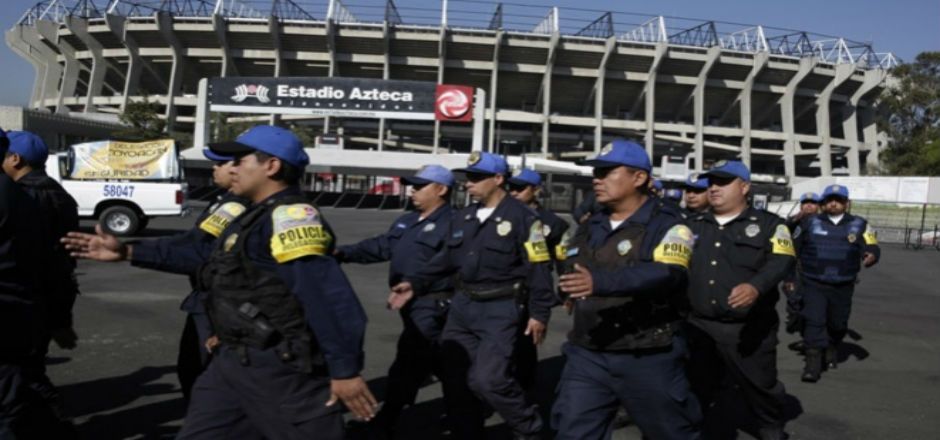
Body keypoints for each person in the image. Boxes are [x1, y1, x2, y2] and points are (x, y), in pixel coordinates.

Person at [63, 125, 377, 439]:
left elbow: (327, 298)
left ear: (271, 166)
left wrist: (345, 370)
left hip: (281, 368)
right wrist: (129, 251)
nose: (231, 168)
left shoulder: (291, 218)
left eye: (240, 161)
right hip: (233, 361)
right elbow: (204, 256)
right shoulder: (251, 216)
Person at [390, 152, 556, 440]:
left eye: (477, 178)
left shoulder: (524, 218)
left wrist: (539, 313)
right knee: (457, 382)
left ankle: (528, 429)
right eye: (468, 177)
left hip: (500, 307)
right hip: (463, 306)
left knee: (489, 380)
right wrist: (415, 282)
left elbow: (539, 269)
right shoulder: (465, 216)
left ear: (498, 179)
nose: (469, 184)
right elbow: (446, 258)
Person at [551, 139, 702, 439]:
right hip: (589, 351)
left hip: (646, 353)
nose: (597, 179)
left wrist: (599, 283)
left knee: (671, 432)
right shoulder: (592, 223)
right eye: (596, 172)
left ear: (639, 177)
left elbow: (668, 272)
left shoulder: (670, 223)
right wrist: (570, 287)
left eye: (607, 172)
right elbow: (573, 259)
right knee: (572, 431)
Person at [334, 165, 455, 435]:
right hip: (410, 305)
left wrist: (417, 283)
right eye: (412, 186)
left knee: (409, 361)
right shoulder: (408, 221)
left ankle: (387, 420)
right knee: (441, 362)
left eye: (420, 186)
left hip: (433, 303)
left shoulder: (455, 224)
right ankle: (461, 412)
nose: (413, 191)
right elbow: (381, 246)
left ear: (441, 189)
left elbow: (451, 264)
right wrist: (342, 253)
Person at [684, 160, 796, 440]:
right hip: (698, 325)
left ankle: (770, 426)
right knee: (695, 385)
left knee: (760, 385)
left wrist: (756, 286)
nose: (714, 188)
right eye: (712, 182)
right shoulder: (691, 225)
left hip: (747, 329)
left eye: (723, 182)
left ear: (744, 187)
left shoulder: (771, 225)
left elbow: (782, 259)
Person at [0, 127, 74, 438]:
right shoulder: (58, 195)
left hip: (23, 303)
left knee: (24, 382)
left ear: (15, 159)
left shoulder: (24, 196)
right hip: (40, 300)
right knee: (28, 377)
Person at [173, 149, 249, 399]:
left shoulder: (236, 205)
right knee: (193, 369)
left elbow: (199, 248)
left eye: (221, 163)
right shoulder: (225, 200)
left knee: (202, 372)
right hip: (206, 297)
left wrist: (134, 251)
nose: (214, 168)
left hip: (218, 302)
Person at [794, 184, 880, 382]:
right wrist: (790, 278)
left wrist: (872, 254)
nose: (834, 203)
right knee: (814, 321)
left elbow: (872, 245)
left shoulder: (860, 224)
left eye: (838, 200)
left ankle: (831, 346)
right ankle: (812, 365)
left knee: (838, 323)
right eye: (830, 200)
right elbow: (793, 250)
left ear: (846, 203)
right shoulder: (809, 223)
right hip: (813, 282)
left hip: (843, 284)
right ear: (824, 203)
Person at [506, 167, 570, 391]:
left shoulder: (553, 224)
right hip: (501, 288)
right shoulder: (500, 215)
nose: (514, 193)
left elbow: (564, 259)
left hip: (530, 289)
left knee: (524, 343)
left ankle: (524, 391)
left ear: (536, 190)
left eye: (520, 189)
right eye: (511, 188)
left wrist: (566, 288)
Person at [782, 191, 820, 336]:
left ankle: (807, 328)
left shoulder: (823, 222)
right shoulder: (795, 221)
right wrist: (792, 221)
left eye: (812, 203)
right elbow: (782, 231)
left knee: (811, 300)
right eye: (806, 203)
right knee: (793, 296)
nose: (809, 206)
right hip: (794, 266)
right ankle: (794, 318)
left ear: (818, 206)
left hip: (813, 267)